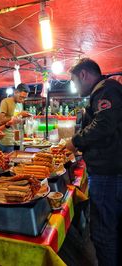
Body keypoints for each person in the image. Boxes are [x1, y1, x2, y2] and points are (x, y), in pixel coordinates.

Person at [66, 58, 122, 266]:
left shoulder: (106, 90)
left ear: (83, 75)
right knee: (111, 230)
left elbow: (103, 124)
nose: (75, 87)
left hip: (109, 175)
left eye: (74, 81)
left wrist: (75, 141)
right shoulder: (106, 90)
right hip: (109, 172)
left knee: (103, 234)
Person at [0, 83, 31, 153]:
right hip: (7, 139)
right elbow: (0, 121)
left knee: (17, 161)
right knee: (8, 162)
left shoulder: (20, 104)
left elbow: (17, 120)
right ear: (15, 92)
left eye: (24, 98)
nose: (22, 100)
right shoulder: (5, 102)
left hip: (17, 139)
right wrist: (19, 114)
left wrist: (24, 117)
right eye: (21, 97)